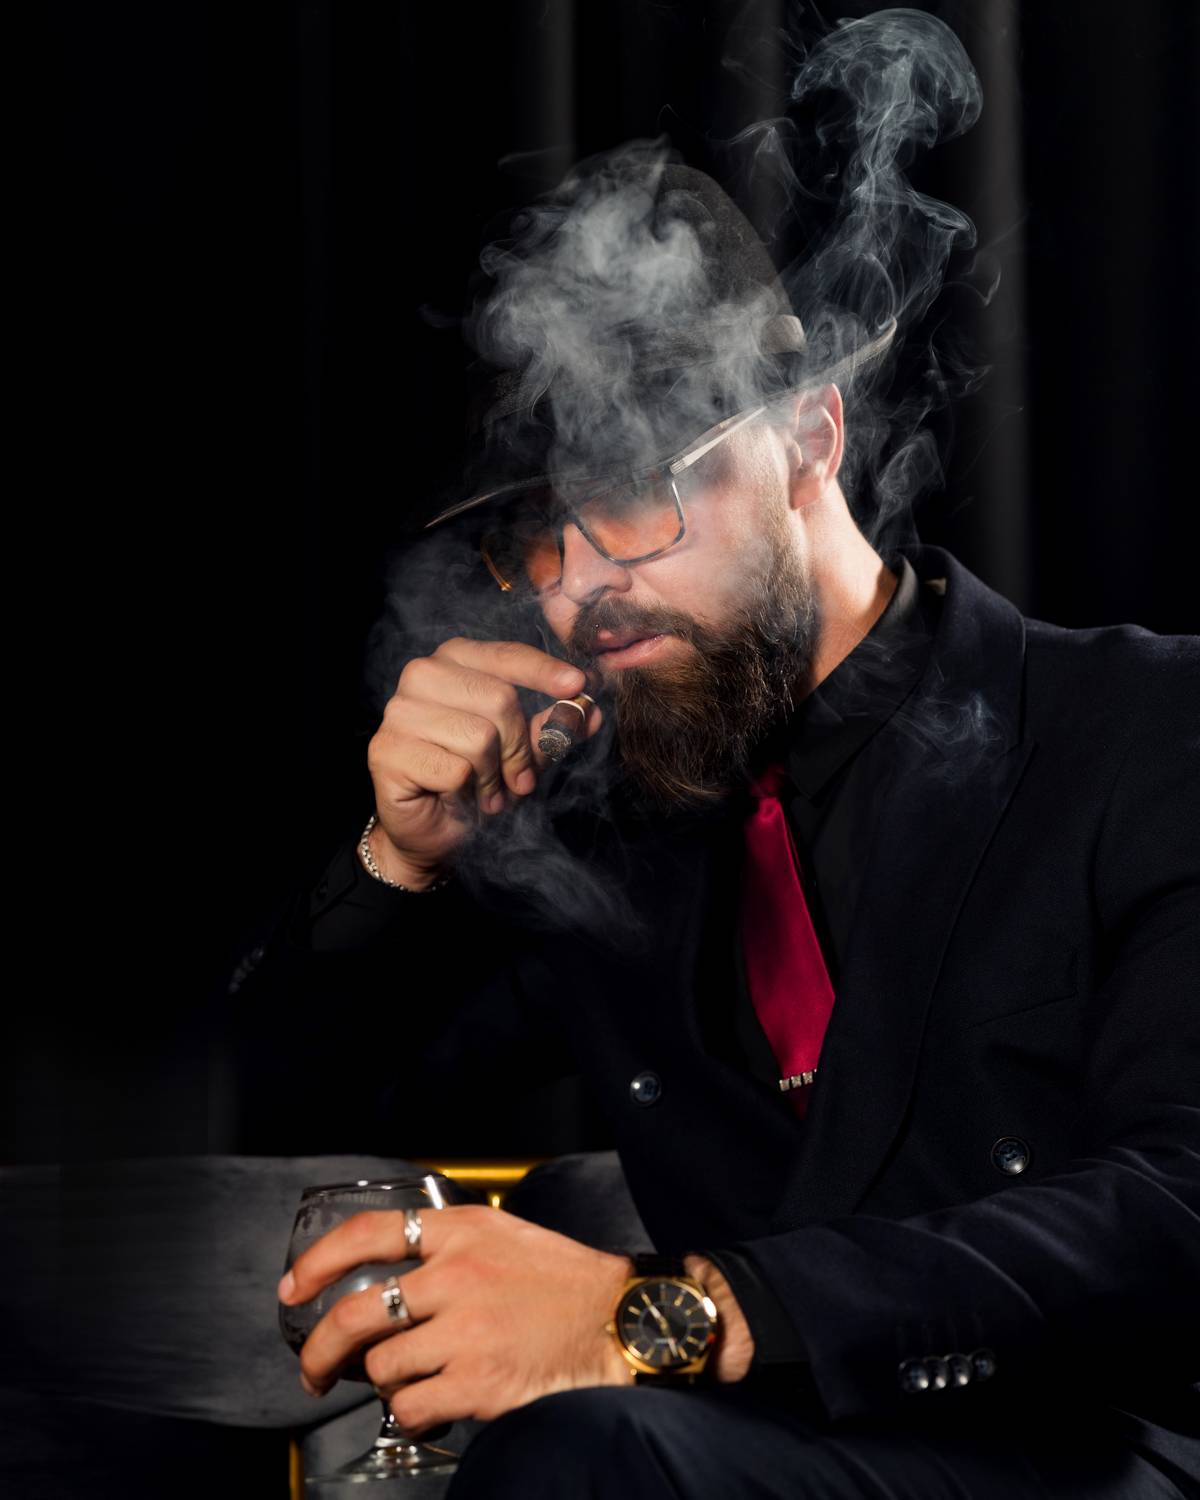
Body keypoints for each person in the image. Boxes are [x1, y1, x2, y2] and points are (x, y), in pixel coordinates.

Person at [254, 157, 1199, 1497]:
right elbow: (310, 1100)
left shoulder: (1143, 725)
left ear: (810, 440)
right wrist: (397, 860)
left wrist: (671, 1314)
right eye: (537, 536)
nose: (580, 589)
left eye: (634, 489)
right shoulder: (600, 824)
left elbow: (1180, 1204)